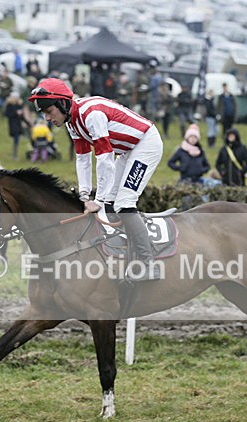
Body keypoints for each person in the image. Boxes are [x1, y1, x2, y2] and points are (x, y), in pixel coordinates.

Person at [28, 77, 163, 281]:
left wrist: (97, 200)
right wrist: (84, 195)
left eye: (49, 111)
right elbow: (83, 159)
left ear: (63, 103)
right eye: (44, 113)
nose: (47, 118)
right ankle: (126, 251)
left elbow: (105, 159)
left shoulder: (92, 115)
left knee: (124, 203)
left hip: (145, 144)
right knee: (110, 203)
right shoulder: (72, 122)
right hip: (127, 150)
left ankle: (148, 263)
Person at [4, 91, 29, 159]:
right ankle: (14, 155)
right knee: (16, 140)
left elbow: (22, 116)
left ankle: (15, 154)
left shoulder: (19, 105)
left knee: (17, 140)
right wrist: (16, 113)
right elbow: (7, 114)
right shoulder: (9, 105)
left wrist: (28, 123)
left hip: (18, 125)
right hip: (13, 125)